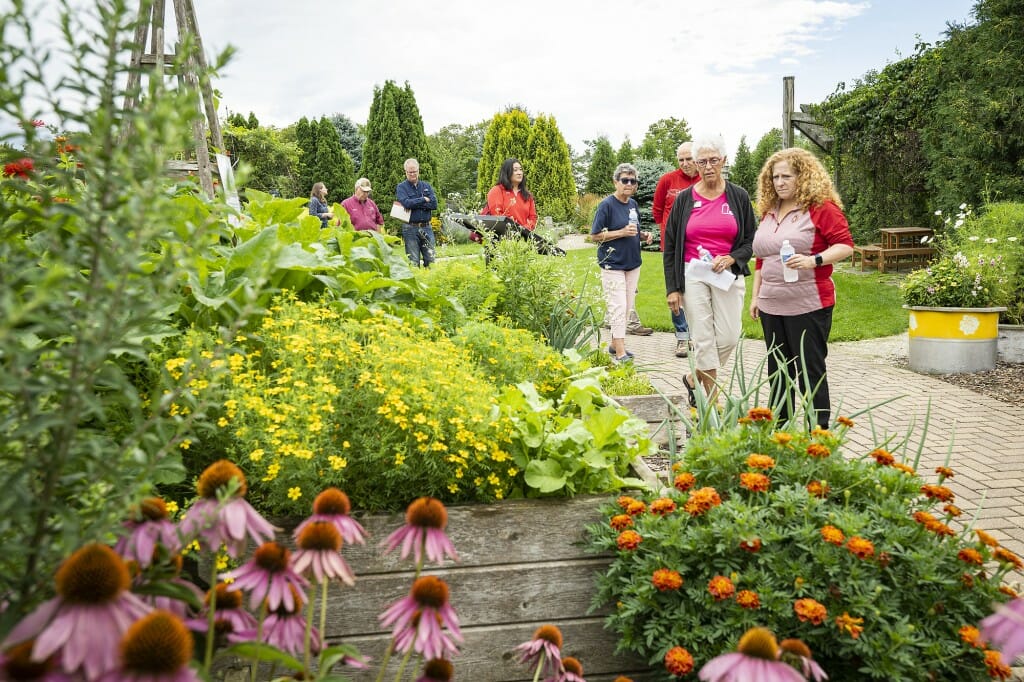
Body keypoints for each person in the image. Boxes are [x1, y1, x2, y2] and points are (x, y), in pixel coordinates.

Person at [749, 148, 854, 430]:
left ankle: (816, 434)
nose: (779, 182)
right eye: (775, 177)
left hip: (808, 304)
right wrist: (755, 296)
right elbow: (763, 257)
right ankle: (781, 433)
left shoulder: (821, 208)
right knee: (778, 373)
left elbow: (845, 245)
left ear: (803, 177)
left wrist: (813, 260)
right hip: (771, 304)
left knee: (810, 372)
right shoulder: (770, 211)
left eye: (786, 176)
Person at [663, 133, 756, 406]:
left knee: (727, 338)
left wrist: (732, 257)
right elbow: (670, 247)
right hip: (694, 274)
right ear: (695, 164)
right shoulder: (684, 200)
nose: (707, 166)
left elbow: (751, 240)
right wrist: (673, 288)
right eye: (701, 161)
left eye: (713, 160)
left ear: (724, 161)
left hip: (727, 275)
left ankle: (693, 379)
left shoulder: (738, 197)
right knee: (703, 339)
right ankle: (712, 402)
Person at [591, 163, 653, 364]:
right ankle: (620, 352)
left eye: (632, 181)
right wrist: (621, 233)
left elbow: (634, 230)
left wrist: (644, 235)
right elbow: (594, 236)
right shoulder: (606, 205)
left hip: (632, 263)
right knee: (617, 306)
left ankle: (613, 343)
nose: (629, 184)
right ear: (615, 182)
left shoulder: (633, 205)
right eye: (624, 180)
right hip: (612, 264)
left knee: (626, 306)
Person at [653, 141, 700, 357]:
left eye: (689, 158)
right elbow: (657, 210)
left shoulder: (704, 180)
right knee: (675, 291)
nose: (685, 163)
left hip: (699, 248)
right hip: (673, 248)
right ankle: (682, 338)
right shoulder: (668, 180)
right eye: (681, 159)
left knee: (700, 291)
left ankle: (700, 336)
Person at [395, 158, 439, 268]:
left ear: (418, 171)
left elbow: (434, 204)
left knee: (431, 259)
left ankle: (430, 283)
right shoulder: (401, 187)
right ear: (405, 172)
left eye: (415, 171)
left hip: (427, 227)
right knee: (413, 261)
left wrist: (415, 203)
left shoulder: (426, 186)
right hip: (410, 228)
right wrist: (424, 199)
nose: (413, 174)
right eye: (410, 172)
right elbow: (406, 204)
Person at [483, 158, 537, 230]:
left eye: (520, 169)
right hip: (502, 236)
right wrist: (513, 229)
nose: (519, 172)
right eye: (515, 170)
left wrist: (523, 229)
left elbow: (533, 218)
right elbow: (497, 215)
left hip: (524, 236)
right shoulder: (497, 191)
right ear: (507, 172)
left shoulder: (527, 195)